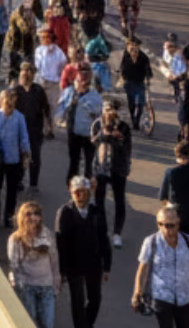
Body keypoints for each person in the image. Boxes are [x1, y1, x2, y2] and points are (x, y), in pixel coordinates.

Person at [135, 204, 189, 328]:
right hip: (162, 297)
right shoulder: (150, 242)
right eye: (161, 224)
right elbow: (143, 269)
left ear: (178, 223)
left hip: (185, 297)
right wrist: (137, 293)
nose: (166, 229)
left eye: (170, 225)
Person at [56, 174, 111, 328]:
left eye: (84, 192)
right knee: (77, 300)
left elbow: (104, 237)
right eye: (77, 192)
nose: (81, 196)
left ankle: (86, 324)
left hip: (94, 263)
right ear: (71, 192)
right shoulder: (65, 212)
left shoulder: (96, 211)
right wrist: (62, 271)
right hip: (73, 265)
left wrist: (107, 265)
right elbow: (61, 243)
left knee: (95, 299)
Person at [0, 87, 33, 228]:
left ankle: (9, 217)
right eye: (7, 100)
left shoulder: (19, 117)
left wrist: (26, 154)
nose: (10, 103)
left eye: (12, 101)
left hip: (13, 159)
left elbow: (24, 138)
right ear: (1, 102)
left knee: (12, 190)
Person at [9, 198, 61, 326]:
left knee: (48, 324)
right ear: (22, 217)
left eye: (36, 213)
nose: (33, 217)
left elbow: (54, 260)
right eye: (28, 214)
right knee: (30, 323)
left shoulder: (47, 235)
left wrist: (56, 285)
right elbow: (14, 265)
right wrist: (20, 285)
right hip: (28, 287)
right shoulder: (16, 239)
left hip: (46, 287)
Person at [92, 100, 134, 247]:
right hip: (101, 168)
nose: (108, 114)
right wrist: (104, 134)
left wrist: (117, 138)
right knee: (99, 200)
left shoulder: (124, 127)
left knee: (119, 200)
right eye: (106, 110)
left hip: (118, 167)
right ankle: (101, 230)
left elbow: (126, 150)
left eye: (112, 110)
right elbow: (93, 141)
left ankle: (117, 233)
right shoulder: (97, 124)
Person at [14, 61, 54, 192]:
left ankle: (33, 184)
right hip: (19, 131)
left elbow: (46, 109)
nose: (25, 74)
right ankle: (18, 181)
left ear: (33, 74)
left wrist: (50, 127)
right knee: (19, 157)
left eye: (28, 71)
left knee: (34, 157)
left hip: (35, 130)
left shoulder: (38, 90)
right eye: (23, 71)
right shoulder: (15, 91)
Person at [63, 70, 105, 184]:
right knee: (74, 161)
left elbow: (97, 113)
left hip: (88, 134)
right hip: (73, 133)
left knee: (89, 162)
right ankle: (71, 184)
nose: (76, 84)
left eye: (78, 81)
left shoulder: (94, 96)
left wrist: (86, 106)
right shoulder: (71, 93)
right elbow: (63, 108)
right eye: (76, 81)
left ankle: (87, 186)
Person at [35, 29, 68, 126]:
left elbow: (63, 65)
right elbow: (38, 66)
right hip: (42, 81)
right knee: (39, 105)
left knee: (51, 106)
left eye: (46, 37)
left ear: (51, 38)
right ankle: (41, 126)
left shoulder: (58, 52)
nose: (44, 39)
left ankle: (50, 128)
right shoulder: (39, 50)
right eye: (42, 38)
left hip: (54, 83)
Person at [121, 36, 154, 132]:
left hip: (139, 82)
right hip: (129, 83)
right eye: (130, 45)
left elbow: (148, 70)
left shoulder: (144, 58)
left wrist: (148, 76)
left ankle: (137, 121)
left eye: (135, 46)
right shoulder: (126, 56)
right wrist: (123, 76)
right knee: (131, 104)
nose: (132, 48)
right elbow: (122, 68)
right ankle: (133, 119)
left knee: (141, 103)